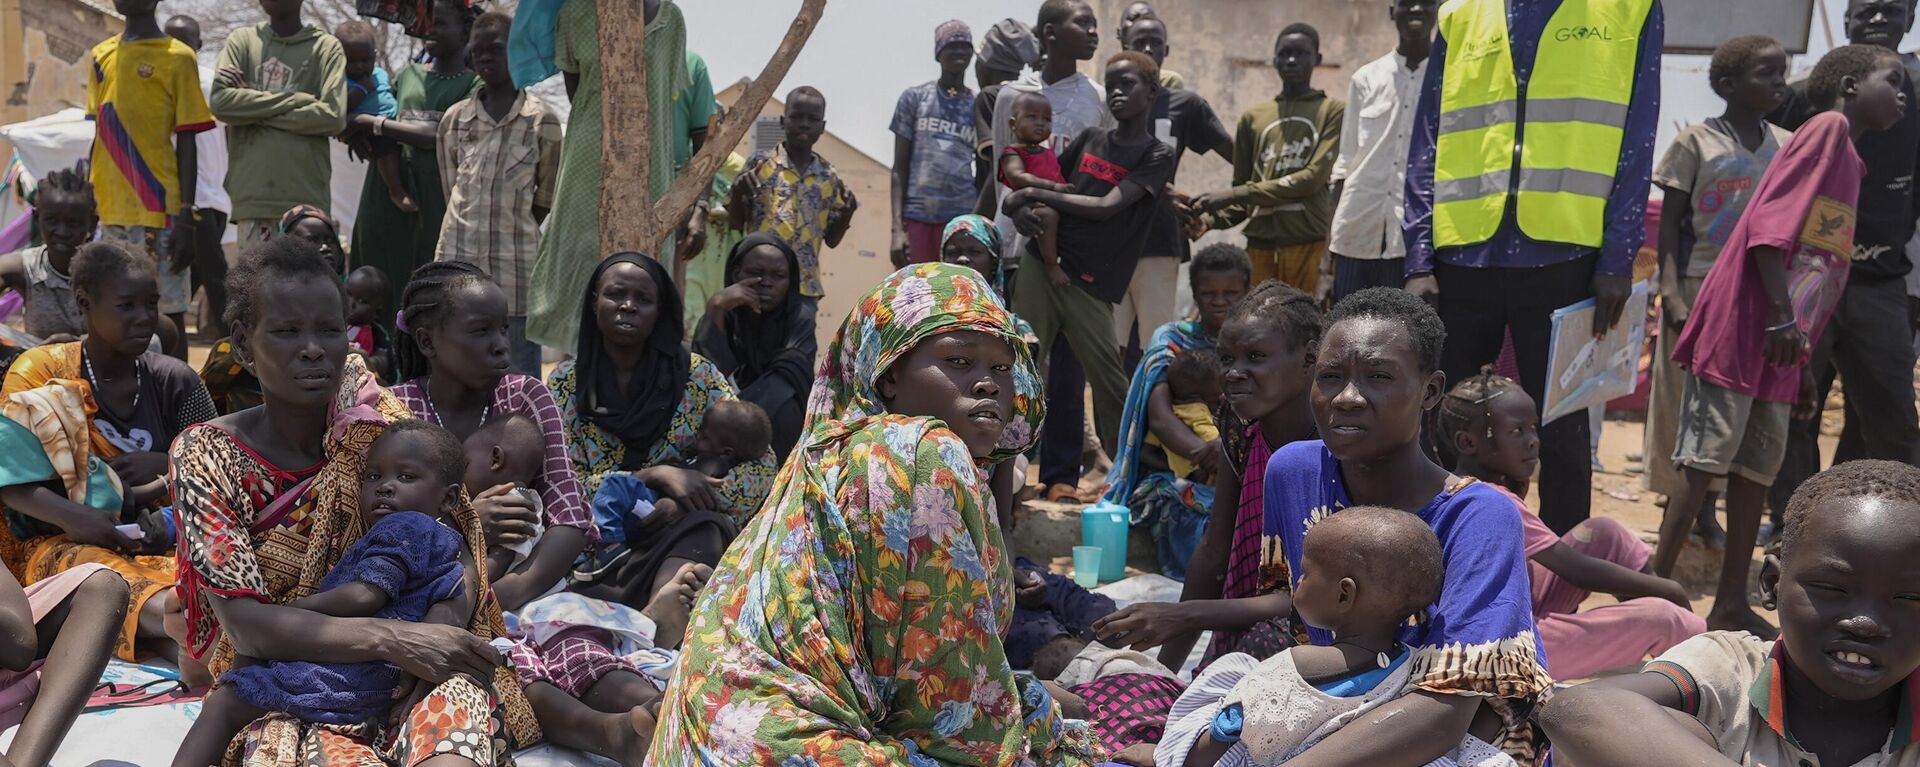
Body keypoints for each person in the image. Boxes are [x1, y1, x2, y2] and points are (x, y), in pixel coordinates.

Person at [647, 263, 1100, 765]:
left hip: (714, 728)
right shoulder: (918, 454)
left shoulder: (835, 451)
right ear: (888, 377)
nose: (988, 384)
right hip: (780, 743)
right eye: (959, 361)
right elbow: (945, 714)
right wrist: (1032, 721)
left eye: (999, 368)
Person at [170, 236, 538, 764]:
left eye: (327, 329)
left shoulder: (373, 421)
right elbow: (247, 626)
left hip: (413, 666)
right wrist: (394, 640)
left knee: (457, 715)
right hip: (287, 678)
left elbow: (457, 541)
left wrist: (435, 637)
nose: (314, 347)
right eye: (286, 331)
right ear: (244, 345)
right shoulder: (209, 454)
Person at [1659, 44, 1904, 637]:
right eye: (1890, 81)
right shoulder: (1824, 130)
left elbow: (1816, 265)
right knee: (1704, 462)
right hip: (1749, 327)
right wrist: (1777, 317)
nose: (1902, 94)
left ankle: (1730, 602)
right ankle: (1649, 595)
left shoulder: (1847, 153)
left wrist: (1802, 363)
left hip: (1781, 348)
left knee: (1756, 471)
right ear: (1848, 85)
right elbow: (1770, 232)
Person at [1403, 0, 1662, 536]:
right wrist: (1419, 256)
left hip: (1567, 253)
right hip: (1463, 253)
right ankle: (1436, 550)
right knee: (1440, 418)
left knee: (1563, 431)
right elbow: (1428, 139)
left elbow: (1638, 136)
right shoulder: (1459, 13)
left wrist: (1617, 257)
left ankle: (1559, 579)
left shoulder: (1629, 9)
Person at [1537, 459, 1920, 767]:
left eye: (1910, 598)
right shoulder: (1730, 668)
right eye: (1833, 590)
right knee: (1664, 731)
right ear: (1771, 585)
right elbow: (1578, 709)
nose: (1866, 623)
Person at [173, 420, 479, 767]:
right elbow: (452, 594)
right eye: (373, 477)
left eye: (405, 478)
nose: (385, 488)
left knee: (226, 702)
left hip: (349, 673)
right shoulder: (445, 543)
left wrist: (296, 609)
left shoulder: (403, 527)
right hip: (390, 678)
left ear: (450, 497)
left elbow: (366, 595)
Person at [0, 241, 215, 676]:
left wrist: (163, 466)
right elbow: (11, 478)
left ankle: (195, 621)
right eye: (127, 305)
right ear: (85, 302)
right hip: (55, 536)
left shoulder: (175, 381)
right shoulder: (40, 371)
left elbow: (216, 468)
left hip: (158, 533)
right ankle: (177, 619)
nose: (144, 318)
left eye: (151, 304)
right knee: (86, 570)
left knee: (206, 560)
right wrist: (74, 517)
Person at [1158, 507, 1513, 767]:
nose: (1297, 582)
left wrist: (1168, 753)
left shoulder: (1292, 668)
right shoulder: (1419, 669)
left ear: (1344, 595)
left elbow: (1221, 737)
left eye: (1306, 573)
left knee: (1231, 672)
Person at [1101, 281, 1323, 672]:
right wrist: (1164, 674)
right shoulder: (1242, 429)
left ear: (1308, 360)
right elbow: (1213, 553)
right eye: (1226, 359)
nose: (1235, 373)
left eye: (1255, 356)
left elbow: (1313, 596)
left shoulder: (1334, 448)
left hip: (1320, 640)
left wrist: (1185, 616)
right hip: (1244, 625)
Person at [1440, 368, 1705, 679]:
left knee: (1603, 532)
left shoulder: (1467, 484)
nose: (1532, 442)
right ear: (1467, 442)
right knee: (1664, 617)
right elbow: (1577, 570)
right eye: (1516, 432)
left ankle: (1660, 653)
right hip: (1498, 652)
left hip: (1509, 618)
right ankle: (1695, 663)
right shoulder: (1491, 498)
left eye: (1532, 428)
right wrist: (1668, 589)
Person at [550, 254, 777, 609]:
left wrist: (683, 503)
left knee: (706, 525)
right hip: (597, 548)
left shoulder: (697, 377)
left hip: (676, 539)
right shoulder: (566, 383)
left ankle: (665, 606)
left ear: (661, 311)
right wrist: (655, 476)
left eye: (643, 299)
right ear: (595, 302)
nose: (628, 306)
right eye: (616, 295)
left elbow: (762, 467)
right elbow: (560, 484)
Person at [1769, 0, 1920, 530]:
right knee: (1793, 414)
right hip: (1808, 284)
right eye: (1865, 9)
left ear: (1913, 16)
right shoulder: (1811, 95)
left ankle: (1888, 532)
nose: (1877, 19)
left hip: (1882, 284)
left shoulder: (1915, 95)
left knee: (1891, 419)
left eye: (1891, 8)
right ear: (1848, 18)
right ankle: (1794, 528)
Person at [386, 261, 596, 614]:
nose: (501, 345)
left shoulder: (526, 397)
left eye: (502, 328)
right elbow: (376, 524)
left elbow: (570, 516)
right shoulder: (394, 410)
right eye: (481, 331)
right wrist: (466, 523)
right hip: (417, 598)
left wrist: (505, 595)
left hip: (525, 596)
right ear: (426, 341)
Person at [1649, 35, 1793, 547]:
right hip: (1699, 284)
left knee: (1734, 408)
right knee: (1685, 403)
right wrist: (1672, 294)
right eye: (1767, 74)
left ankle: (1714, 511)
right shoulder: (1694, 142)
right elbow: (1669, 227)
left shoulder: (1786, 145)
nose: (1779, 82)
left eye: (1783, 72)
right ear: (1729, 85)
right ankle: (1688, 510)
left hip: (1758, 293)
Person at [1004, 51, 1175, 465]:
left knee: (1109, 381)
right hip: (1041, 262)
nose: (1116, 92)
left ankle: (1126, 473)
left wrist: (1025, 195)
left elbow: (1106, 207)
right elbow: (1054, 187)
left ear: (1151, 91)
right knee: (1016, 365)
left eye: (1127, 84)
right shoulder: (1089, 139)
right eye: (1111, 83)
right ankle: (999, 470)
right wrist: (1024, 208)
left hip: (1091, 281)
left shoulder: (1156, 155)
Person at [981, 0, 1112, 504]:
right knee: (1015, 360)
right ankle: (1007, 472)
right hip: (1017, 246)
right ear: (1051, 33)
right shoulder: (1011, 94)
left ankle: (1060, 473)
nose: (1093, 32)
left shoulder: (1096, 97)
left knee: (1068, 364)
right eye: (1085, 24)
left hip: (1072, 248)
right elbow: (999, 173)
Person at [524, 0, 689, 355]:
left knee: (645, 264)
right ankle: (578, 365)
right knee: (582, 257)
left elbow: (666, 94)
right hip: (588, 157)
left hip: (651, 162)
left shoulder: (671, 19)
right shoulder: (575, 13)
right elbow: (578, 91)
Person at [1097, 244, 1251, 580]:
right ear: (1194, 294)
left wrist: (1231, 452)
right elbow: (1161, 416)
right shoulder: (1172, 340)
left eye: (1231, 293)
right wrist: (1205, 452)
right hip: (1177, 467)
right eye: (1209, 293)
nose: (1220, 301)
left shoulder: (1258, 344)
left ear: (1247, 292)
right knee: (1197, 519)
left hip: (1245, 463)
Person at [436, 11, 562, 376]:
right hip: (458, 266)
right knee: (457, 369)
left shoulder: (542, 120)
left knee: (517, 373)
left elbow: (545, 198)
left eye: (497, 48)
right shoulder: (455, 120)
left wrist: (510, 228)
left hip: (516, 274)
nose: (486, 57)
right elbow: (451, 191)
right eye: (478, 51)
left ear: (518, 51)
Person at [87, 0, 212, 361]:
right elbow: (99, 134)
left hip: (162, 213)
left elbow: (187, 141)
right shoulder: (100, 55)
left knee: (167, 314)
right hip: (111, 212)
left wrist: (187, 217)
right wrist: (91, 198)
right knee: (113, 312)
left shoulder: (177, 56)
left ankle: (180, 406)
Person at [1193, 24, 1345, 297]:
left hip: (1308, 241)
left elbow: (1311, 179)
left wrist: (1233, 194)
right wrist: (1208, 221)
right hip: (1259, 245)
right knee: (1258, 327)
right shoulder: (1253, 118)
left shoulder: (1332, 110)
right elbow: (1242, 196)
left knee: (1307, 326)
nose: (1291, 61)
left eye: (1301, 53)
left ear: (1318, 59)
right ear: (1274, 60)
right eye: (1284, 54)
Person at [347, 0, 478, 317]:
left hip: (435, 201)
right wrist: (359, 131)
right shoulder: (408, 74)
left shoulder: (475, 85)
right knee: (377, 285)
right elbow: (374, 110)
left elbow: (445, 135)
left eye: (441, 23)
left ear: (465, 32)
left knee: (429, 289)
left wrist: (376, 126)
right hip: (383, 197)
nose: (430, 28)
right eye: (428, 21)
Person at [1116, 16, 1232, 360]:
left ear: (1168, 49)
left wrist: (1222, 208)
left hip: (1160, 239)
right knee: (1112, 348)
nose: (1148, 49)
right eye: (1140, 42)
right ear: (1125, 47)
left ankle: (1150, 413)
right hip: (1111, 242)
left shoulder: (1185, 104)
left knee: (1156, 345)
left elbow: (1238, 156)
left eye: (1155, 42)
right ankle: (1116, 416)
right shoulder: (1110, 103)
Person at [577, 400, 774, 580]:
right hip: (651, 509)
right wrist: (659, 473)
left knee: (614, 485)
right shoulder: (709, 454)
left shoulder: (712, 465)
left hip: (652, 508)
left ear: (727, 452)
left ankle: (610, 546)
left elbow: (701, 491)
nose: (696, 438)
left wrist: (675, 501)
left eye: (703, 436)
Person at [210, 0, 345, 250]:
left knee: (305, 286)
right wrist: (299, 99)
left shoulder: (326, 47)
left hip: (307, 201)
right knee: (255, 286)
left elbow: (332, 116)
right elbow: (221, 104)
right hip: (254, 198)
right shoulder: (242, 41)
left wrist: (251, 103)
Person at [1328, 0, 1436, 302]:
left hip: (1415, 245)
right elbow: (1345, 164)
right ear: (1392, 12)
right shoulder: (1366, 78)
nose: (1415, 9)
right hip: (1356, 234)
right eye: (1406, 3)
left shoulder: (1448, 79)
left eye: (1425, 3)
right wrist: (1326, 264)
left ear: (1439, 9)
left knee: (1404, 338)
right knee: (1349, 333)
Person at [690, 233, 816, 459]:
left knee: (786, 409)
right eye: (755, 274)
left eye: (778, 276)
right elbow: (705, 376)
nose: (766, 283)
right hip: (722, 414)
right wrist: (716, 309)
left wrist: (738, 416)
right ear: (736, 273)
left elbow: (790, 374)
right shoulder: (724, 310)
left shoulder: (800, 316)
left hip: (771, 419)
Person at [728, 87, 857, 305]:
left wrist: (846, 215)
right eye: (797, 116)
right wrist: (738, 193)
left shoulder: (829, 176)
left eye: (812, 119)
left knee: (800, 340)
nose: (804, 124)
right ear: (783, 120)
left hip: (804, 287)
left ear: (822, 127)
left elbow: (832, 240)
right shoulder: (759, 165)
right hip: (759, 282)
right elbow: (735, 222)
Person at [163, 13, 235, 338]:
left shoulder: (203, 80)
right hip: (205, 198)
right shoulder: (208, 79)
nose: (176, 48)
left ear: (199, 45)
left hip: (204, 198)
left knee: (214, 276)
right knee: (193, 273)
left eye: (184, 41)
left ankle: (236, 344)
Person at [889, 20, 978, 267]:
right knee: (913, 293)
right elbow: (899, 167)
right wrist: (897, 229)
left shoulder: (978, 104)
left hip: (960, 219)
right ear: (938, 53)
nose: (959, 51)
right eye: (952, 45)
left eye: (965, 46)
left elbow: (984, 169)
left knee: (953, 295)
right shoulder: (914, 98)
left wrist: (977, 222)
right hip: (917, 216)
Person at [0, 165, 97, 341]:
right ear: (37, 219)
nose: (61, 231)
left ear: (92, 224)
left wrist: (78, 345)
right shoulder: (26, 269)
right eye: (51, 220)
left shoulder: (109, 271)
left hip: (99, 365)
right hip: (38, 365)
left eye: (73, 223)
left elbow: (156, 325)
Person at [336, 20, 414, 217]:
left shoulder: (380, 74)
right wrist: (362, 88)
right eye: (351, 62)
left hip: (394, 124)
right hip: (370, 130)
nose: (359, 67)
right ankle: (395, 191)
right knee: (385, 152)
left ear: (374, 56)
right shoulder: (342, 81)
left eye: (365, 60)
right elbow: (345, 106)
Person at [1000, 92, 1074, 285]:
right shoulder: (1013, 152)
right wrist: (1052, 187)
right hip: (1030, 203)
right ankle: (1051, 265)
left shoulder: (1048, 152)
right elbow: (1017, 177)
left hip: (1053, 200)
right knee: (1048, 217)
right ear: (1012, 123)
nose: (1040, 123)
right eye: (1031, 117)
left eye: (1047, 119)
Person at [972, 18, 1042, 190]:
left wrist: (977, 214)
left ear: (986, 64)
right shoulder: (1034, 96)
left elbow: (995, 169)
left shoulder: (989, 97)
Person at [1154, 350, 1222, 482]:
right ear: (1197, 398)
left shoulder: (1173, 414)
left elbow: (1145, 452)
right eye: (1216, 400)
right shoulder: (1203, 417)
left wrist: (1178, 470)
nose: (1220, 403)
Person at [1114, 3, 1186, 89]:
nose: (1141, 23)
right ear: (1119, 32)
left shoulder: (1169, 81)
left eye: (1147, 18)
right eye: (1134, 19)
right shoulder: (1113, 79)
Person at [344, 264, 394, 381]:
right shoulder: (330, 317)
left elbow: (373, 363)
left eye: (362, 301)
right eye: (348, 294)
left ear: (377, 312)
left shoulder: (374, 335)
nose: (351, 304)